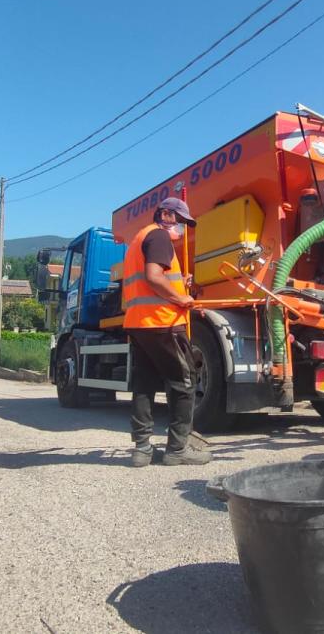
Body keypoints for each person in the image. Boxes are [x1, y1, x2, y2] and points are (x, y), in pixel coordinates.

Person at [122, 197, 212, 467]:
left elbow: (150, 281)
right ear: (165, 214)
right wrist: (181, 299)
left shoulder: (140, 238)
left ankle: (141, 450)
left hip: (140, 323)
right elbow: (153, 277)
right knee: (183, 383)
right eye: (180, 220)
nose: (182, 227)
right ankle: (177, 449)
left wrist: (181, 286)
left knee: (144, 385)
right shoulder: (159, 236)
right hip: (164, 323)